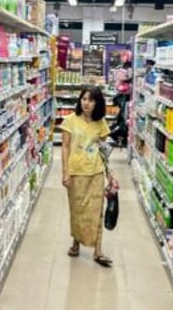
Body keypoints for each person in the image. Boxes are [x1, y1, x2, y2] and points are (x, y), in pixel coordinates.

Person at [60, 85, 114, 267]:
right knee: (77, 209)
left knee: (96, 211)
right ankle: (76, 243)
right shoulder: (70, 121)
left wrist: (110, 174)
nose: (86, 103)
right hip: (76, 172)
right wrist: (65, 172)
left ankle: (98, 250)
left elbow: (104, 150)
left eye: (91, 100)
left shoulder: (101, 124)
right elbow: (65, 147)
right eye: (84, 99)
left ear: (97, 103)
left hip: (95, 172)